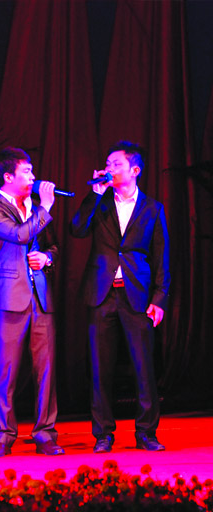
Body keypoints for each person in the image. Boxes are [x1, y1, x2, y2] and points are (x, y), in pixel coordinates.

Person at [69, 141, 170, 453]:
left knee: (143, 367)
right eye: (107, 164)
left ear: (134, 170)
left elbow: (162, 256)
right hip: (102, 293)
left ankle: (146, 433)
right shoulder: (100, 202)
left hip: (137, 295)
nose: (109, 169)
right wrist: (93, 196)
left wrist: (159, 298)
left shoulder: (152, 208)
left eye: (116, 164)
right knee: (100, 368)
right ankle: (103, 434)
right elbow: (77, 230)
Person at [0, 147, 64, 457]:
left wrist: (47, 258)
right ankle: (2, 435)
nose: (33, 177)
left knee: (46, 370)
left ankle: (45, 434)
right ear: (8, 177)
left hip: (40, 296)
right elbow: (18, 235)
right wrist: (46, 207)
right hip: (9, 297)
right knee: (6, 370)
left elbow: (53, 245)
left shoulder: (36, 208)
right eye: (26, 172)